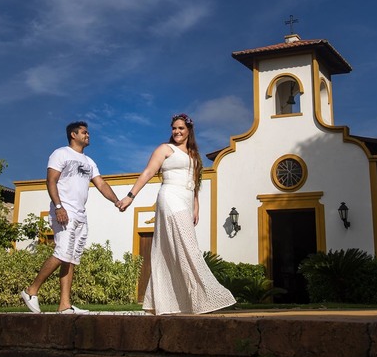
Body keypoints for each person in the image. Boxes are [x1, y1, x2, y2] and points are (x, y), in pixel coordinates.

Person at [117, 113, 235, 315]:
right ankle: (207, 297)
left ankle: (165, 303)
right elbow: (147, 172)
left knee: (172, 250)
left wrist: (196, 206)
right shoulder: (165, 149)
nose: (177, 132)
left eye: (181, 128)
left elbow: (195, 183)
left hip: (187, 200)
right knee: (188, 247)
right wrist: (130, 196)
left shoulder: (194, 155)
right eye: (174, 128)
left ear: (189, 130)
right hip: (170, 197)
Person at [20, 120, 121, 314]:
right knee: (62, 252)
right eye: (84, 132)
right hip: (64, 210)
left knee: (71, 258)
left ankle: (64, 305)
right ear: (73, 135)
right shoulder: (60, 154)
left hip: (80, 214)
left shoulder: (89, 162)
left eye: (88, 132)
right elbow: (51, 180)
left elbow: (101, 184)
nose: (88, 135)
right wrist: (58, 206)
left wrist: (116, 201)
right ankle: (31, 290)